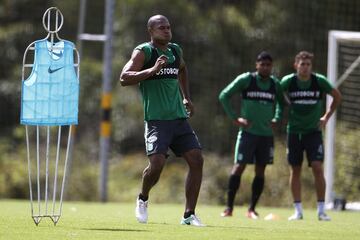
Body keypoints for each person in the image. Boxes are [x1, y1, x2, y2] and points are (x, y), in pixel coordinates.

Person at [119, 15, 205, 227]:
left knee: (197, 160)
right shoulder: (144, 52)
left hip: (179, 119)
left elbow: (182, 69)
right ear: (151, 31)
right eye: (161, 28)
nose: (166, 31)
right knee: (157, 164)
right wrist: (152, 70)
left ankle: (189, 215)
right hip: (157, 120)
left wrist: (186, 96)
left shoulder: (175, 50)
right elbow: (124, 77)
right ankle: (143, 198)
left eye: (168, 27)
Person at [219, 52, 284, 219]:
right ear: (257, 65)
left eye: (268, 65)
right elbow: (224, 96)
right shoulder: (246, 79)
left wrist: (277, 118)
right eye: (262, 64)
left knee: (260, 170)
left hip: (266, 135)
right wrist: (235, 118)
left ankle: (251, 209)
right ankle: (228, 208)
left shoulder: (275, 84)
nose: (265, 67)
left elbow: (282, 104)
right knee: (239, 166)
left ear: (271, 67)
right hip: (247, 134)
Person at [280, 51, 341, 221]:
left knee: (317, 167)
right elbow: (277, 93)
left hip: (313, 132)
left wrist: (326, 117)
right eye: (302, 64)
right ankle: (298, 210)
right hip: (294, 132)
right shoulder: (288, 81)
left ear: (311, 66)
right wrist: (279, 111)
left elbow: (337, 96)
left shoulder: (318, 80)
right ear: (296, 65)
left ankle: (321, 210)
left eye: (308, 65)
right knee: (295, 170)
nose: (305, 67)